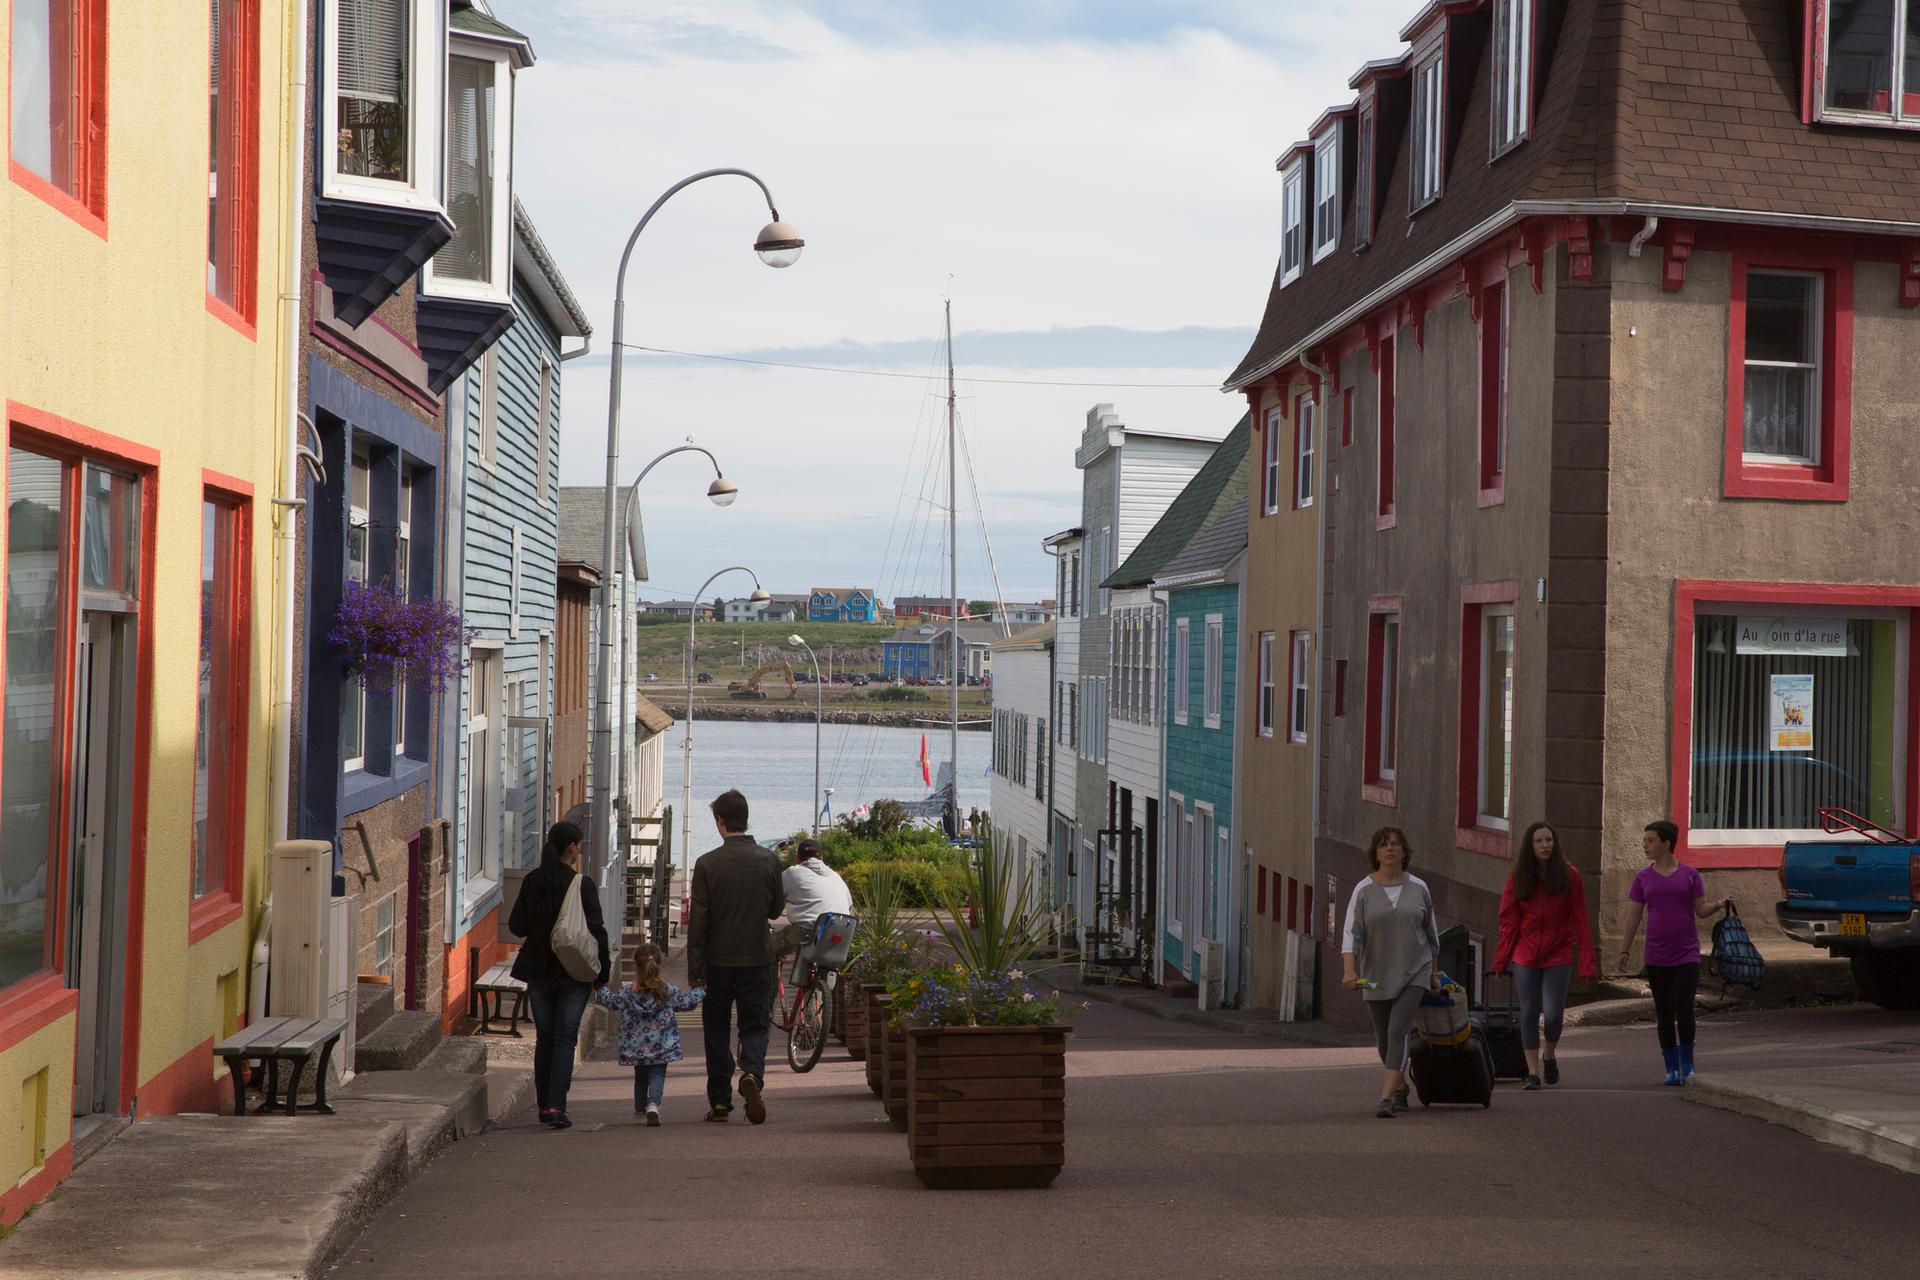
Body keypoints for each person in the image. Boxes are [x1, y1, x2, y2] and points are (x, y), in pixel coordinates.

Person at [686, 789, 784, 1124]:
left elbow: (698, 921)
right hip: (758, 958)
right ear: (746, 818)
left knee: (715, 1030)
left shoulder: (707, 864)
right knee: (754, 1025)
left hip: (717, 963)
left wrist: (694, 971)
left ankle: (720, 1103)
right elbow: (775, 910)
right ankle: (752, 1075)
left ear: (720, 820)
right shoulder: (769, 860)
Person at [508, 820, 610, 1129]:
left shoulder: (533, 880)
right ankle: (556, 1105)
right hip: (573, 971)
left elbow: (517, 926)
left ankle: (543, 1105)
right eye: (579, 845)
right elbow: (597, 930)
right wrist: (602, 973)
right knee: (566, 1039)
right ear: (571, 847)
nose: (580, 849)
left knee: (545, 1038)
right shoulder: (582, 884)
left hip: (539, 971)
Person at [1616, 819, 1732, 1085]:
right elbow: (1634, 916)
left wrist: (1719, 904)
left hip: (1686, 953)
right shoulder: (1643, 878)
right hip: (1656, 955)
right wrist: (1624, 950)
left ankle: (1687, 1064)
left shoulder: (1689, 874)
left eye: (1650, 841)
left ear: (1666, 844)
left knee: (1684, 1008)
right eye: (1644, 841)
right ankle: (1671, 1068)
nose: (1645, 846)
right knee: (1664, 1012)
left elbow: (1700, 910)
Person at [1340, 827, 1442, 1118]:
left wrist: (1432, 974)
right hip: (1375, 975)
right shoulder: (1363, 890)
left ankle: (1385, 1099)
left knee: (1398, 1030)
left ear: (1404, 851)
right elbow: (1351, 935)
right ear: (1375, 853)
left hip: (1414, 971)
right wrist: (1350, 971)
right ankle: (1399, 1085)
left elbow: (1432, 936)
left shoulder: (1419, 888)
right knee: (1384, 1038)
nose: (1390, 849)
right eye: (1384, 845)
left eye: (1396, 844)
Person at [1492, 822, 1599, 1090]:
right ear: (1531, 846)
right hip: (1524, 955)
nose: (1545, 845)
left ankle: (1549, 1054)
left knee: (1552, 1016)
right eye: (1539, 841)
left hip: (1557, 954)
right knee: (1528, 1012)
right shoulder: (1518, 876)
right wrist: (1502, 958)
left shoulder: (1569, 874)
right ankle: (1532, 1072)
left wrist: (1587, 962)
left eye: (1549, 840)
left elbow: (1580, 919)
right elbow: (1508, 920)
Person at [593, 943, 705, 1126]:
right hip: (662, 1044)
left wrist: (600, 987)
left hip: (636, 1046)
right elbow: (687, 1002)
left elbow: (611, 1001)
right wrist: (701, 990)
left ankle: (639, 1110)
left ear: (636, 966)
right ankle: (653, 1104)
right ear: (658, 965)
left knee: (640, 1074)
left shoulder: (628, 993)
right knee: (657, 1073)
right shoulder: (666, 991)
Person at [771, 838, 854, 984]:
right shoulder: (836, 876)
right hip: (840, 929)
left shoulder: (792, 873)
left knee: (768, 950)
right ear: (821, 857)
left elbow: (773, 900)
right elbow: (850, 908)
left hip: (807, 929)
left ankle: (767, 1001)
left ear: (797, 858)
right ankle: (822, 993)